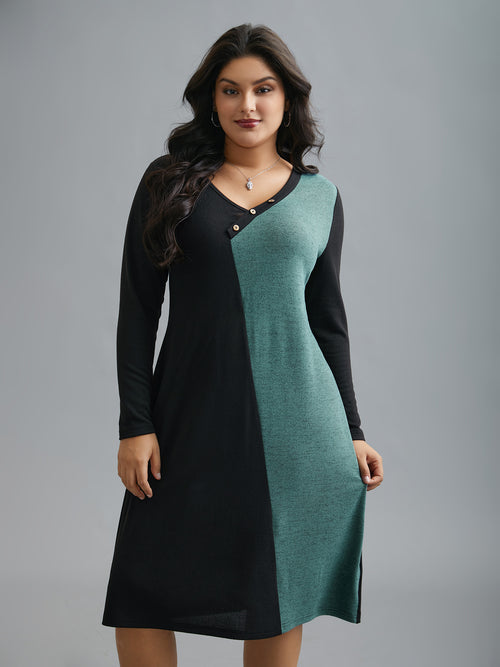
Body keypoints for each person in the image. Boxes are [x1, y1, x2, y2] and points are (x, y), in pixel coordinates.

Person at [101, 22, 384, 667]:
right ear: (212, 99)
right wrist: (135, 424)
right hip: (187, 416)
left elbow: (328, 321)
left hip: (296, 428)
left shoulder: (320, 198)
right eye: (230, 90)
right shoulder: (169, 183)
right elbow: (137, 310)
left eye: (263, 88)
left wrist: (352, 431)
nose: (247, 105)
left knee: (276, 590)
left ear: (288, 98)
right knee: (142, 587)